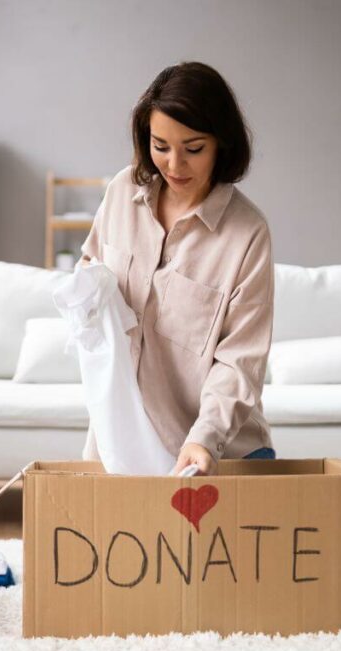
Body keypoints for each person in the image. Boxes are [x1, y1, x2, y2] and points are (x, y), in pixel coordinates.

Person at [80, 61, 275, 475]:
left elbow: (240, 361)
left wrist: (204, 438)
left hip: (216, 454)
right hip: (121, 446)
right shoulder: (121, 192)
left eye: (193, 148)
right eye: (161, 145)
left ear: (221, 143)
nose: (174, 165)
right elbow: (90, 267)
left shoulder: (247, 234)